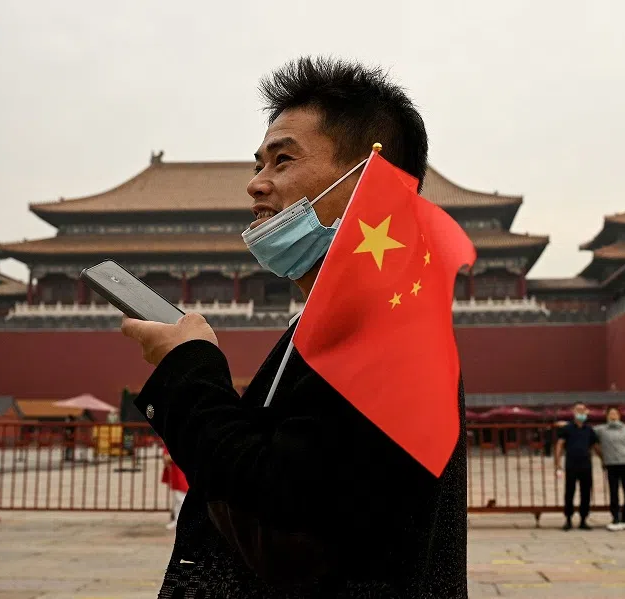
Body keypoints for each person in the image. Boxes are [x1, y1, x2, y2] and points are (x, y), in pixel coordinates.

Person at [120, 57, 467, 598]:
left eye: (282, 161)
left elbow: (280, 508)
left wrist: (189, 367)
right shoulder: (331, 322)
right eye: (258, 164)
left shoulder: (384, 329)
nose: (255, 185)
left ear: (369, 183)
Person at [555, 402, 601, 530]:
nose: (580, 413)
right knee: (570, 491)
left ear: (586, 412)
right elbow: (560, 444)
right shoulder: (567, 428)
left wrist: (603, 459)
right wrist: (557, 462)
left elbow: (595, 446)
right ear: (573, 411)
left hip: (586, 464)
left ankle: (583, 519)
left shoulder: (589, 429)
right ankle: (568, 519)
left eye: (583, 410)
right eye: (578, 410)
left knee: (586, 492)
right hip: (571, 463)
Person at [594, 407, 625, 531]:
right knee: (613, 492)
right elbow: (585, 430)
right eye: (611, 413)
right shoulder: (602, 430)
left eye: (615, 413)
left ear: (619, 416)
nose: (613, 416)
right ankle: (615, 517)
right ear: (607, 416)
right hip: (611, 464)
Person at [161, 445, 189, 531]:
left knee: (180, 498)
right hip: (176, 472)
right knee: (178, 497)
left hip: (181, 472)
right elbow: (166, 458)